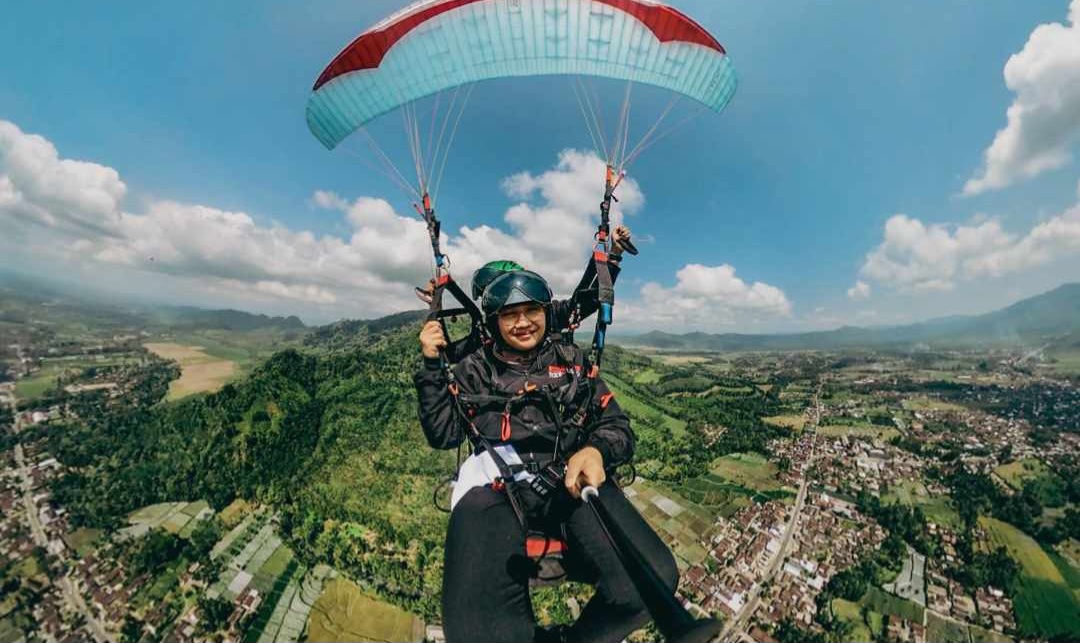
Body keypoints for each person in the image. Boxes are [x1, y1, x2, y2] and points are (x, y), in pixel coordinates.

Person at [415, 269, 678, 643]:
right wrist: (431, 365)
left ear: (545, 312)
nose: (523, 322)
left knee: (653, 580)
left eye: (531, 311)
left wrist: (596, 450)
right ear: (495, 320)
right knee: (476, 633)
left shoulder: (572, 362)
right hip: (496, 487)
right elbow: (443, 433)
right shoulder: (475, 368)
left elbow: (616, 425)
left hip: (568, 478)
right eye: (510, 314)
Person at [419, 225, 635, 363]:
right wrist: (435, 307)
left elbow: (585, 302)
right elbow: (450, 356)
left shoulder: (548, 314)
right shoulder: (486, 332)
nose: (522, 321)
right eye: (504, 309)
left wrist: (614, 254)